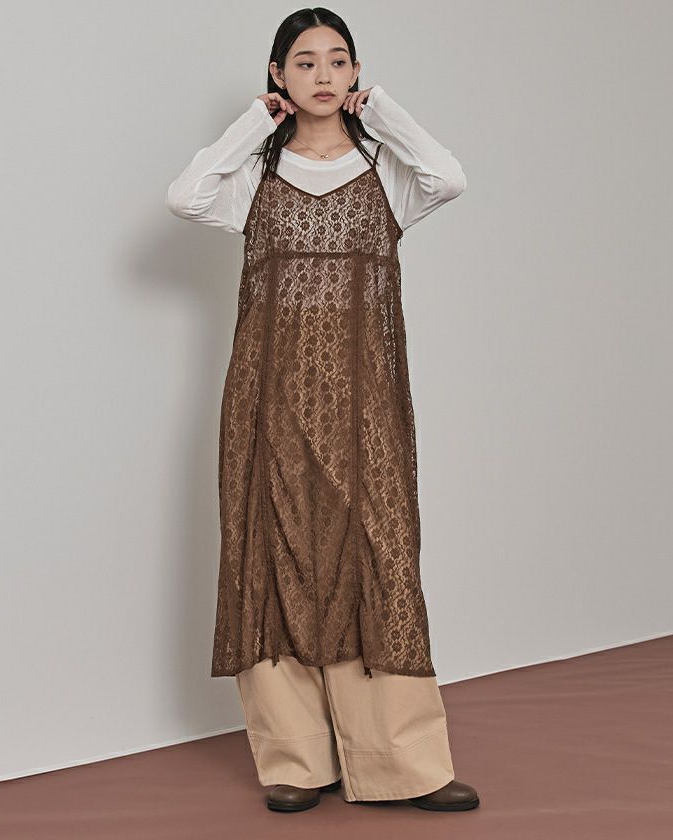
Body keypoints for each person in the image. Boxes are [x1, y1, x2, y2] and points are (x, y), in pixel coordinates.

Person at [166, 7, 479, 814]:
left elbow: (449, 177)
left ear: (356, 74)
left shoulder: (387, 175)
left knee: (377, 557)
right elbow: (184, 196)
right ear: (279, 75)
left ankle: (403, 765)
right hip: (267, 398)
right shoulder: (252, 181)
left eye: (338, 60)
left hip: (365, 401)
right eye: (304, 62)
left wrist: (386, 114)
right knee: (273, 557)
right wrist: (254, 123)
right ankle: (296, 763)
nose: (323, 75)